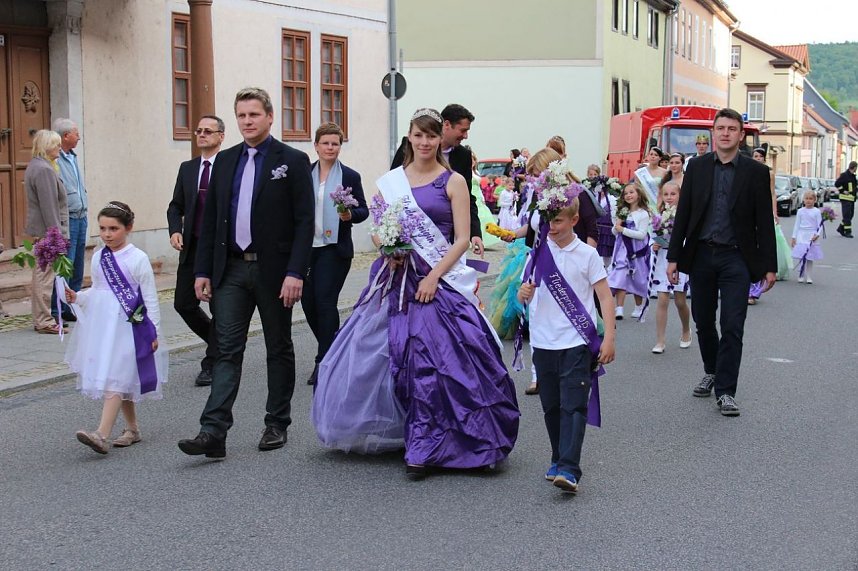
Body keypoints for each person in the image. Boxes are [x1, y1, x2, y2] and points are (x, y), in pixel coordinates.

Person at [312, 108, 519, 479]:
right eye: (418, 135)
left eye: (431, 136)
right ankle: (414, 436)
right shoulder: (390, 182)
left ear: (441, 139)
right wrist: (387, 246)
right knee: (396, 353)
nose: (425, 142)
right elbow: (376, 229)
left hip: (439, 278)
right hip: (397, 277)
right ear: (409, 137)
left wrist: (434, 277)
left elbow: (459, 239)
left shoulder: (453, 181)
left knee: (447, 356)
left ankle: (458, 441)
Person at [178, 87, 314, 458]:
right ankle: (213, 431)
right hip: (232, 270)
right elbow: (210, 224)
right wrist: (202, 270)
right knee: (225, 349)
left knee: (278, 347)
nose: (247, 122)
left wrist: (295, 272)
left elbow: (305, 222)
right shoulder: (225, 161)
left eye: (254, 115)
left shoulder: (293, 160)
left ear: (270, 117)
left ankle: (276, 422)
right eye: (241, 116)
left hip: (274, 272)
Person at [667, 108, 776, 417]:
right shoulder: (698, 168)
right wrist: (673, 257)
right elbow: (684, 215)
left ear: (740, 135)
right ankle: (712, 370)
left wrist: (769, 265)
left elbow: (763, 222)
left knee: (732, 324)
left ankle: (726, 391)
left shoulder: (755, 173)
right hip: (701, 254)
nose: (725, 133)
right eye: (720, 128)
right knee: (703, 321)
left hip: (736, 258)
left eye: (731, 128)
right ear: (713, 133)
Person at [516, 186, 616, 494]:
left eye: (559, 220)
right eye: (549, 221)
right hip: (544, 341)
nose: (553, 227)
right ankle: (558, 458)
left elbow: (605, 296)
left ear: (574, 220)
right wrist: (523, 294)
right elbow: (524, 291)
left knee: (574, 405)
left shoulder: (587, 255)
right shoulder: (537, 254)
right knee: (551, 406)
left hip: (576, 341)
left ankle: (570, 469)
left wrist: (609, 336)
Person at [65, 202, 168, 454]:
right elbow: (98, 291)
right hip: (104, 326)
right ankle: (132, 429)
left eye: (114, 228)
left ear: (128, 228)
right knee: (120, 377)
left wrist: (152, 331)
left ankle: (101, 434)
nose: (107, 234)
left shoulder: (138, 258)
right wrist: (76, 297)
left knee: (115, 376)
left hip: (129, 326)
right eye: (102, 228)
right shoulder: (100, 256)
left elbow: (150, 298)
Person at [303, 122, 368, 386]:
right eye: (326, 143)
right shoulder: (304, 173)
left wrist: (350, 215)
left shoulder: (350, 176)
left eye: (335, 143)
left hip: (334, 249)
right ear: (316, 146)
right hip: (306, 249)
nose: (330, 148)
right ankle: (337, 351)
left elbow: (363, 210)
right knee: (308, 304)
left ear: (340, 146)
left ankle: (324, 361)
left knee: (325, 302)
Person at [166, 115, 225, 386]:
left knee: (219, 307)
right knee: (183, 303)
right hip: (192, 247)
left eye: (208, 131)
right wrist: (175, 229)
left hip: (221, 249)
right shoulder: (187, 168)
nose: (201, 135)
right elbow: (175, 205)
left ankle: (212, 362)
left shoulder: (229, 166)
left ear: (220, 136)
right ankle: (222, 345)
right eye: (198, 131)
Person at [391, 103, 484, 254]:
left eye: (431, 137)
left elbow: (468, 197)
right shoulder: (407, 149)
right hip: (407, 245)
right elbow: (392, 191)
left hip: (441, 243)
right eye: (463, 130)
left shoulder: (462, 156)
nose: (465, 136)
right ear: (446, 125)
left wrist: (474, 232)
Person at [24, 129, 69, 334]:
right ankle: (44, 320)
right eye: (56, 144)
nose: (60, 148)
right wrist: (56, 236)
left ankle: (41, 318)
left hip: (42, 230)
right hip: (47, 231)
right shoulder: (43, 169)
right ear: (46, 146)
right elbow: (49, 205)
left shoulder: (37, 165)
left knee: (42, 275)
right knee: (44, 276)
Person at [53, 118, 88, 324]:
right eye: (76, 133)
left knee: (77, 266)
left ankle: (72, 304)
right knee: (65, 265)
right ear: (66, 136)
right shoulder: (56, 160)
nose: (79, 136)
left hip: (81, 215)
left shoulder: (73, 157)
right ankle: (58, 308)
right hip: (69, 218)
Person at [650, 181, 691, 353]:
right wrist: (654, 244)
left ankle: (686, 330)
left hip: (679, 260)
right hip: (662, 259)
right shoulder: (658, 215)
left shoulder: (686, 214)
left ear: (680, 195)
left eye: (673, 194)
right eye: (666, 194)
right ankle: (660, 341)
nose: (669, 198)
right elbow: (651, 235)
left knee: (680, 301)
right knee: (663, 300)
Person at [748, 146, 791, 304]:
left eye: (760, 156)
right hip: (747, 215)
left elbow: (772, 193)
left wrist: (773, 212)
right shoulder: (746, 171)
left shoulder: (768, 173)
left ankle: (754, 290)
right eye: (755, 156)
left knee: (760, 249)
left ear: (764, 158)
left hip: (763, 213)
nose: (757, 158)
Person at [608, 182, 652, 320]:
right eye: (626, 193)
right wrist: (618, 226)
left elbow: (641, 234)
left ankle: (639, 306)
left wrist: (624, 230)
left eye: (631, 192)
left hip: (636, 250)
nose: (628, 195)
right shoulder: (622, 211)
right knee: (620, 274)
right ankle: (619, 307)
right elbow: (614, 231)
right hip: (622, 250)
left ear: (639, 195)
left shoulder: (643, 214)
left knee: (637, 278)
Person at [468, 150, 501, 249]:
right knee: (476, 216)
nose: (472, 162)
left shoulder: (476, 172)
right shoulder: (465, 171)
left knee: (485, 216)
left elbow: (479, 187)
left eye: (473, 159)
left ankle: (485, 240)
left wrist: (482, 197)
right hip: (471, 194)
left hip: (478, 195)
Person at [587, 164, 618, 265]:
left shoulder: (612, 200)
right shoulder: (593, 198)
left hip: (607, 231)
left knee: (607, 258)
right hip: (595, 230)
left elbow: (615, 216)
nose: (601, 190)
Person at [792, 190, 823, 284]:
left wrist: (817, 235)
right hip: (802, 235)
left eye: (811, 199)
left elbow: (820, 225)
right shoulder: (800, 211)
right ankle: (801, 274)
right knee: (802, 255)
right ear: (803, 200)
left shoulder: (817, 211)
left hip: (811, 235)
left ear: (815, 200)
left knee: (810, 257)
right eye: (806, 198)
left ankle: (808, 275)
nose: (808, 201)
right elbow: (796, 225)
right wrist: (794, 237)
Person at [835, 160, 857, 238]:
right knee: (847, 216)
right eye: (856, 168)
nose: (856, 169)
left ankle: (841, 228)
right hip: (845, 199)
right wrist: (843, 191)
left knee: (851, 215)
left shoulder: (852, 176)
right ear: (854, 167)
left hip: (851, 199)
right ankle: (848, 232)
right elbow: (837, 183)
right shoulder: (844, 175)